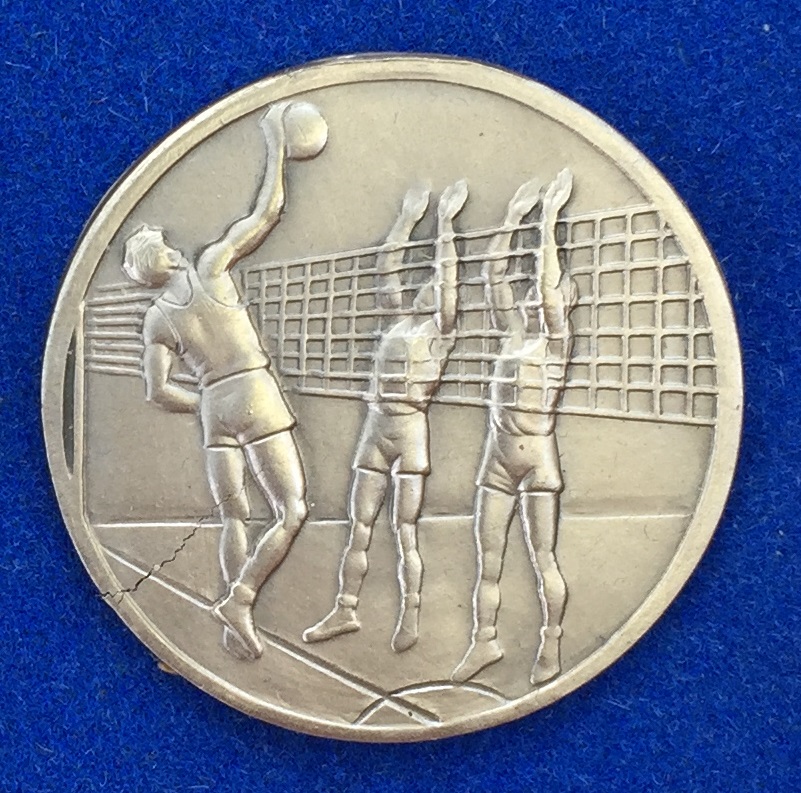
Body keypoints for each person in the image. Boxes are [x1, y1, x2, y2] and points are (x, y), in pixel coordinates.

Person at [122, 102, 316, 660]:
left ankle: (237, 625)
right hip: (254, 393)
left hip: (214, 407)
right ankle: (241, 599)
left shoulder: (158, 318)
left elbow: (157, 392)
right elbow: (268, 211)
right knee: (292, 509)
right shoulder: (211, 268)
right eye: (164, 242)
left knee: (234, 515)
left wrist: (204, 402)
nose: (171, 243)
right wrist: (275, 142)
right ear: (164, 256)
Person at [303, 180, 469, 652]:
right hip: (377, 427)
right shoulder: (395, 322)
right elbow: (386, 265)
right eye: (426, 286)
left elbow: (449, 277)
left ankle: (411, 613)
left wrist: (445, 225)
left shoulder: (440, 332)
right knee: (359, 525)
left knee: (405, 529)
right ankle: (345, 608)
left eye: (434, 287)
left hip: (410, 429)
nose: (427, 289)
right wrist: (407, 218)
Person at [452, 169, 576, 686]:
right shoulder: (513, 336)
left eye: (549, 294)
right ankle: (485, 640)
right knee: (489, 556)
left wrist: (547, 220)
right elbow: (492, 277)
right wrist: (511, 217)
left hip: (536, 456)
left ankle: (551, 642)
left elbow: (547, 285)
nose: (533, 295)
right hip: (498, 456)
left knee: (542, 555)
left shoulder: (555, 340)